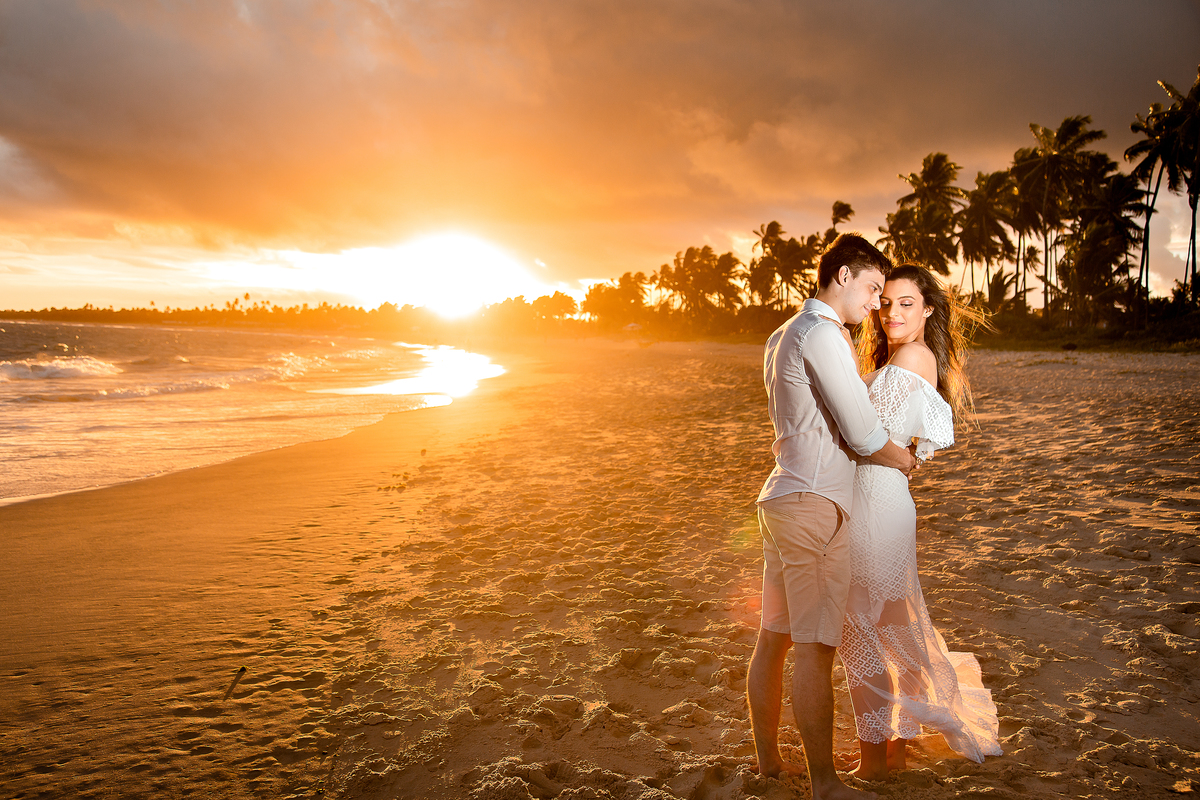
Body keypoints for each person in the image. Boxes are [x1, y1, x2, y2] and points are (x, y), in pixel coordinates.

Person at [749, 233, 917, 800]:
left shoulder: (783, 334)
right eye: (872, 288)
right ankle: (826, 784)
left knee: (774, 639)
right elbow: (863, 429)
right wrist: (903, 457)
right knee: (817, 648)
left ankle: (770, 762)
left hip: (783, 499)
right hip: (815, 506)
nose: (876, 303)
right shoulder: (822, 332)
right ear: (842, 275)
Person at [839, 264, 1001, 780]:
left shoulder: (912, 356)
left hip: (876, 502)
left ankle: (875, 759)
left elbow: (863, 433)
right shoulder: (903, 357)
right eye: (885, 302)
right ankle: (894, 749)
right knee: (892, 627)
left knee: (861, 629)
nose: (891, 313)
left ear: (928, 309)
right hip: (882, 498)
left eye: (906, 303)